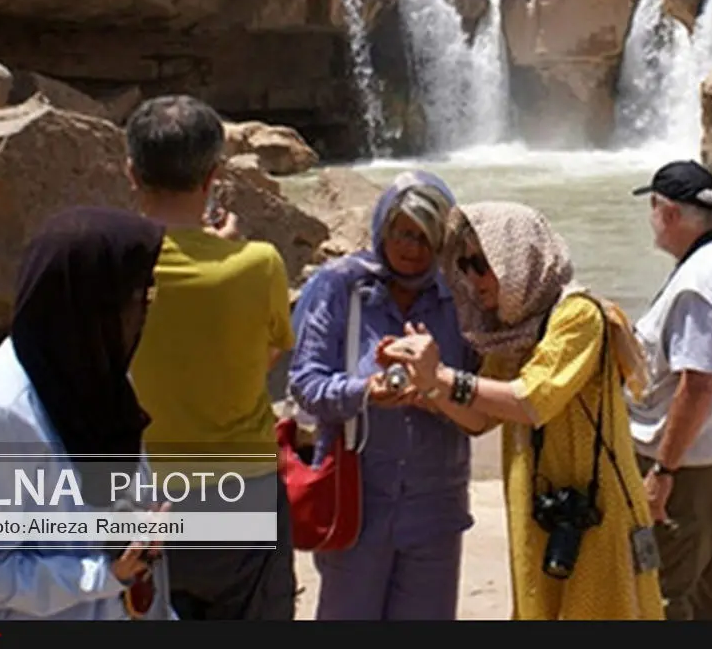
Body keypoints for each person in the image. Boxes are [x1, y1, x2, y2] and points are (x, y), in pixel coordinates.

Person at [380, 201, 664, 621]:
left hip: (595, 516)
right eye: (464, 265)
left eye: (481, 263)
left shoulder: (579, 316)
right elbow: (480, 418)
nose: (473, 279)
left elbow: (530, 401)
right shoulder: (511, 333)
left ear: (517, 255)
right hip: (545, 512)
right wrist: (429, 388)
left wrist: (440, 377)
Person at [0, 207, 177, 620]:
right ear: (88, 303)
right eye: (138, 294)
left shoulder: (99, 375)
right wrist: (102, 575)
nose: (144, 311)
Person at [123, 95, 296, 620]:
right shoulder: (259, 264)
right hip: (242, 495)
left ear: (131, 173)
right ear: (214, 175)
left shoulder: (110, 266)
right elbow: (265, 359)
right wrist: (229, 249)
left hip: (142, 499)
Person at [287, 170, 475, 621]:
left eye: (426, 238)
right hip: (356, 501)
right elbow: (305, 384)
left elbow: (482, 392)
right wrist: (365, 392)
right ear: (382, 229)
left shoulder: (461, 299)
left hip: (436, 505)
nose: (413, 249)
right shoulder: (340, 287)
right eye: (403, 234)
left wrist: (437, 387)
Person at [627, 160, 712, 621]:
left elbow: (698, 384)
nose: (650, 221)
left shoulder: (696, 287)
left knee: (664, 583)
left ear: (667, 214)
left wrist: (664, 472)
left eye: (652, 209)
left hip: (693, 463)